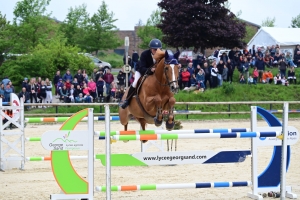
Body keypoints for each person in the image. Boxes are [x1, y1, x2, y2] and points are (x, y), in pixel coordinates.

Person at [119, 38, 162, 109]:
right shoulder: (144, 54)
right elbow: (142, 68)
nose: (157, 51)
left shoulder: (161, 55)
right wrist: (151, 70)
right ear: (151, 49)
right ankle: (127, 100)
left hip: (154, 73)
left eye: (158, 49)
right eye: (155, 49)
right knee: (135, 82)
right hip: (142, 71)